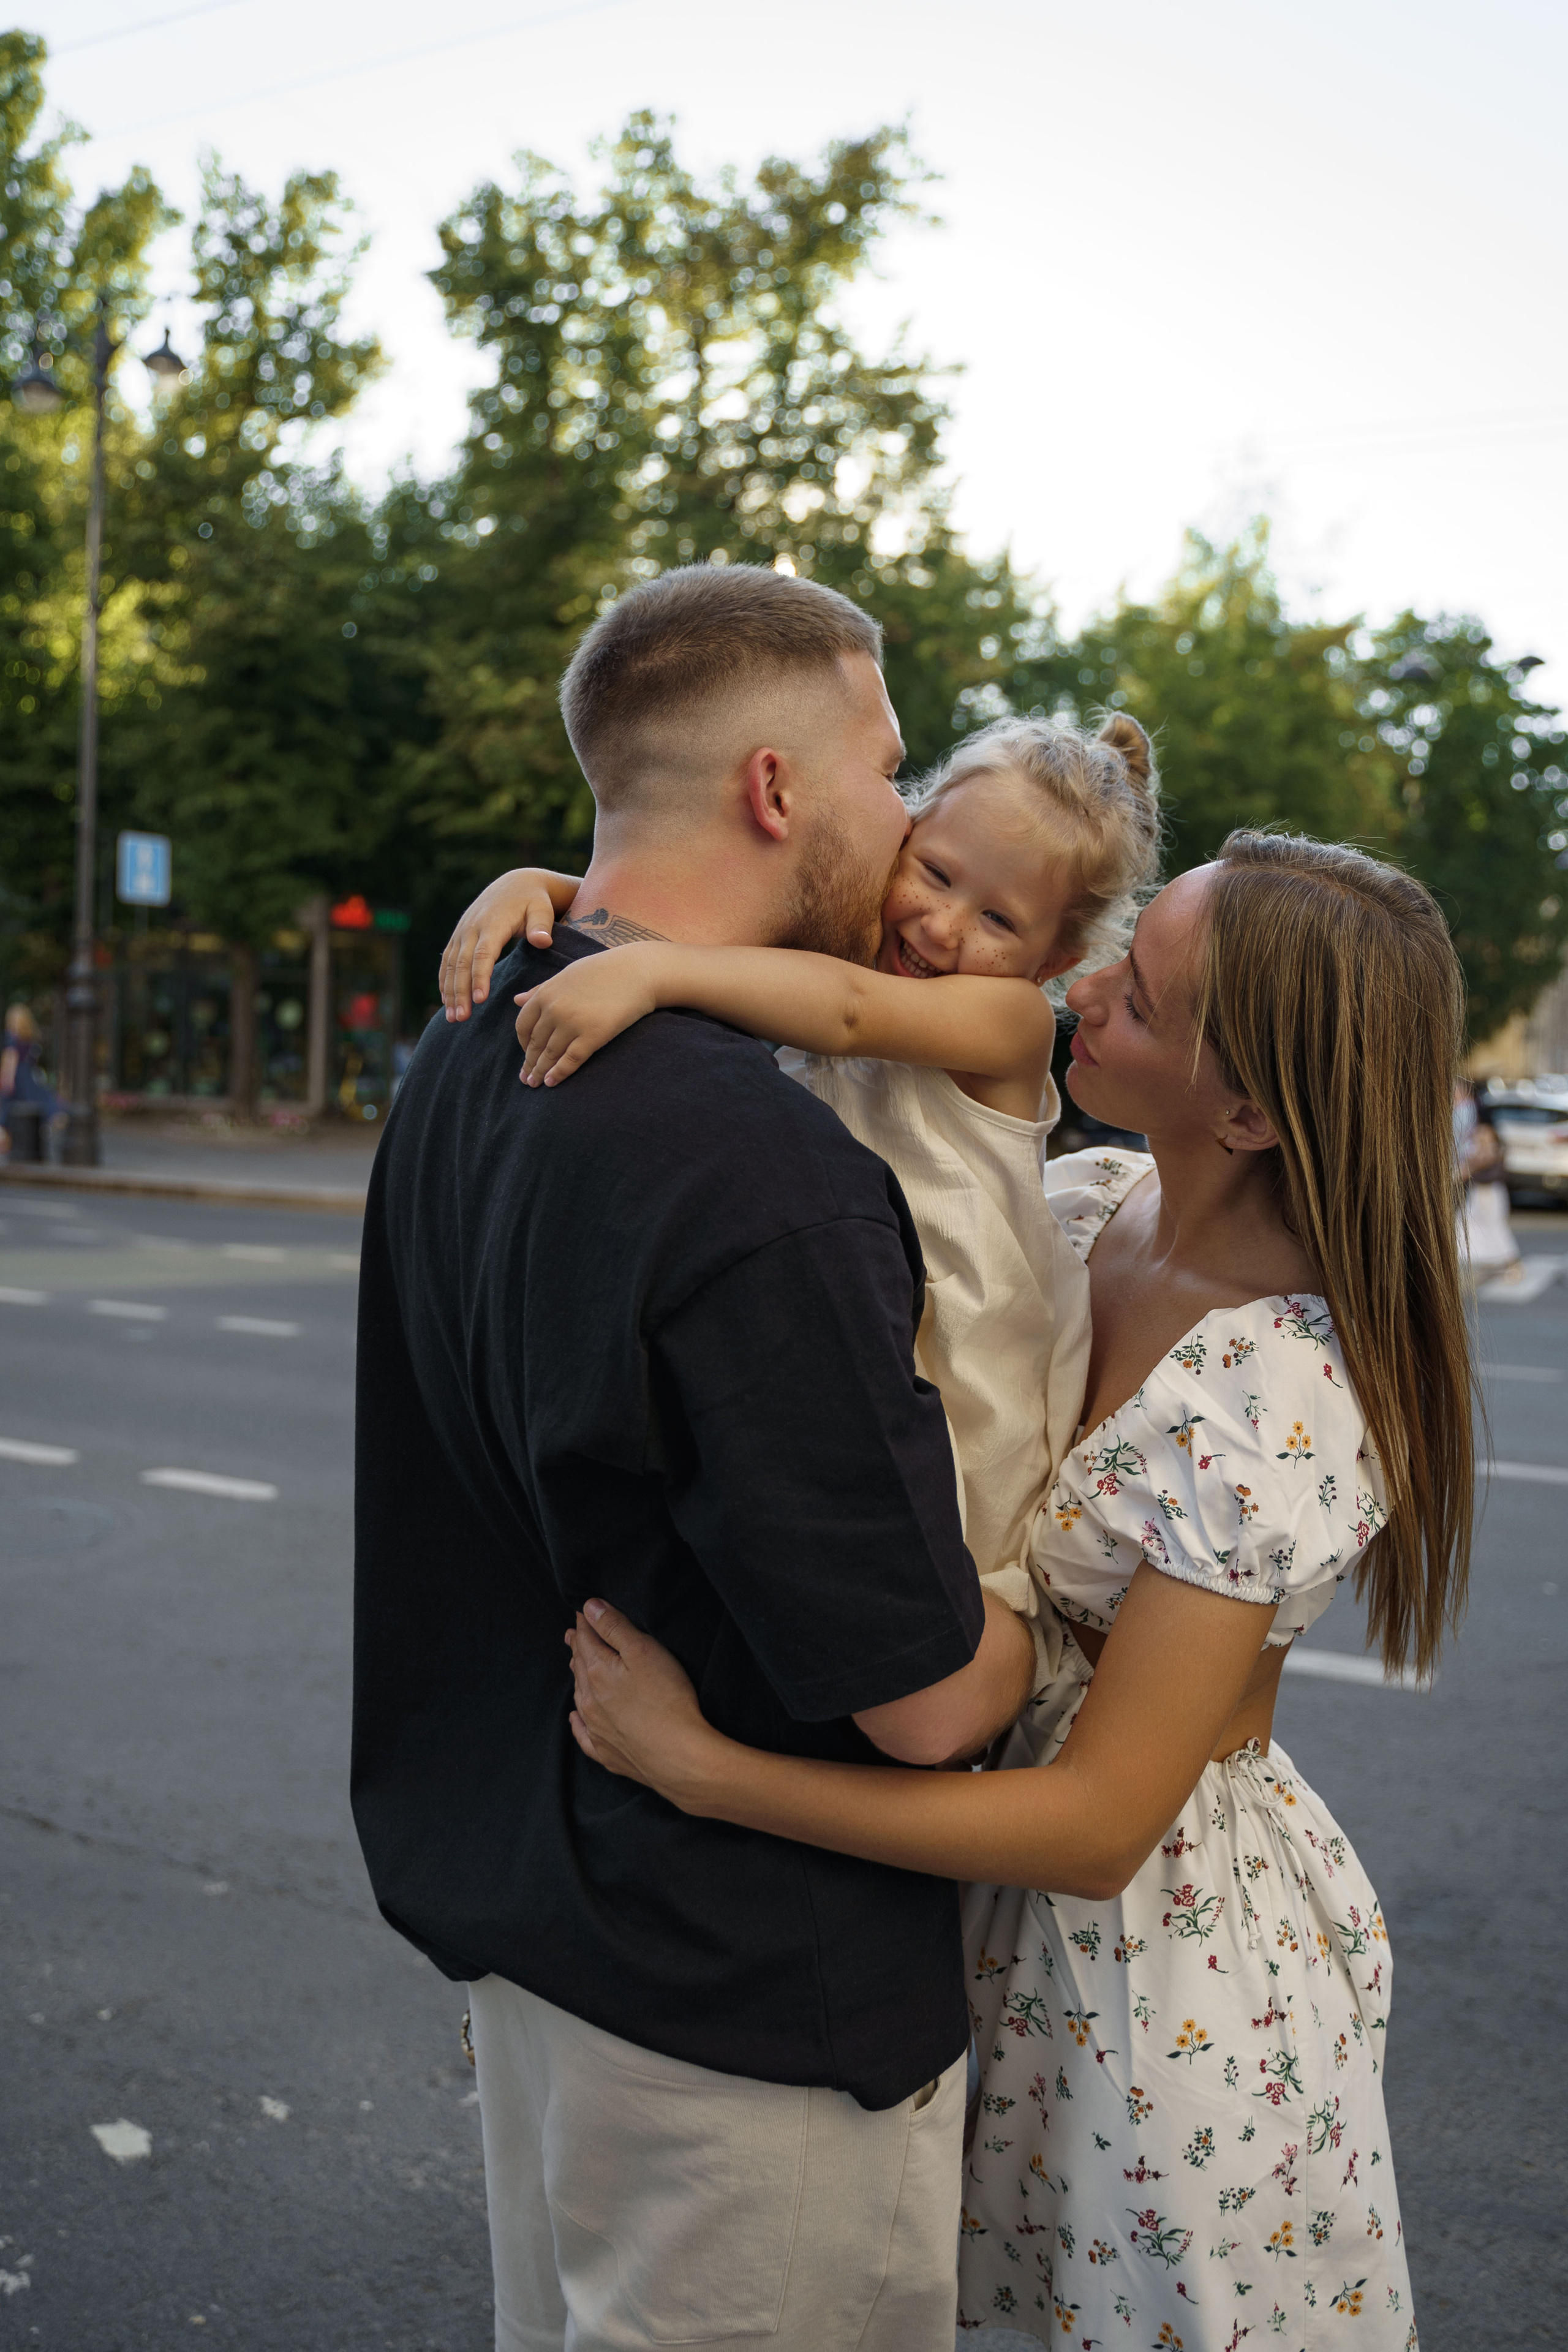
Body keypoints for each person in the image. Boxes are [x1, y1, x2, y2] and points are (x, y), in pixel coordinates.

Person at [550, 833, 1473, 2351]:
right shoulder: (1090, 1200)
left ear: (1244, 1109)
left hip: (1154, 1988)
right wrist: (563, 902)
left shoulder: (1278, 1383)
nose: (1078, 987)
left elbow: (1097, 1826)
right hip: (973, 1906)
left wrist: (709, 1772)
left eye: (1143, 997)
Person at [352, 561, 1041, 2352]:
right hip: (744, 2009)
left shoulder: (472, 1032)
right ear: (774, 789)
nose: (905, 824)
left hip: (539, 1926)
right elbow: (925, 1706)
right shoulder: (764, 1172)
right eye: (889, 770)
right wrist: (1078, 1599)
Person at [440, 707, 1161, 1646]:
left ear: (1054, 961)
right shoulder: (832, 953)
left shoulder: (1010, 1024)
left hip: (967, 1388)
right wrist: (537, 885)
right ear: (906, 829)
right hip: (850, 1341)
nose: (942, 926)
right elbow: (699, 913)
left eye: (998, 919)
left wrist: (655, 972)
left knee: (931, 1627)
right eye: (935, 872)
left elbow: (853, 1014)